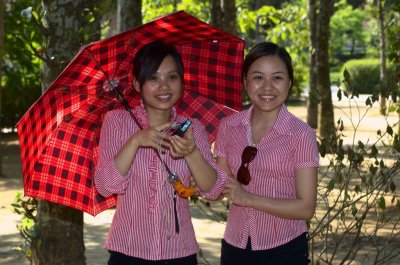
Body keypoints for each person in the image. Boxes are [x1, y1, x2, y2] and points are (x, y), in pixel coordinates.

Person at [94, 41, 227, 265]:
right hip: (128, 252)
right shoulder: (117, 121)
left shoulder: (191, 127)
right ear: (137, 83)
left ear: (181, 82)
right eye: (154, 78)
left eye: (172, 77)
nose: (164, 87)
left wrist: (192, 152)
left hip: (179, 254)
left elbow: (214, 190)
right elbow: (105, 185)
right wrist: (136, 141)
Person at [214, 42, 319, 265]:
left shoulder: (301, 134)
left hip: (284, 249)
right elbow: (219, 186)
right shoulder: (228, 126)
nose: (267, 87)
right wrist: (195, 158)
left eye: (277, 78)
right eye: (258, 77)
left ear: (289, 83)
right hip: (235, 246)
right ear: (245, 81)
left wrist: (248, 198)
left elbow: (306, 207)